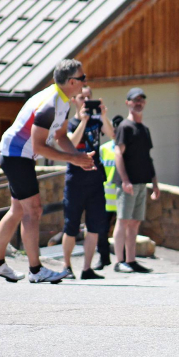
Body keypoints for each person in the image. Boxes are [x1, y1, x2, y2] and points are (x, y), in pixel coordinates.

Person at [0, 60, 96, 284]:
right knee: (33, 210)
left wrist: (79, 158)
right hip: (17, 155)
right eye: (83, 78)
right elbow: (39, 147)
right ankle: (36, 270)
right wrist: (74, 159)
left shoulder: (64, 101)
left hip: (21, 155)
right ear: (72, 82)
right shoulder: (50, 104)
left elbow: (61, 137)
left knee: (18, 210)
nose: (86, 82)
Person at [61, 86, 113, 280]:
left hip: (95, 180)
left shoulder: (96, 122)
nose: (85, 101)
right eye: (82, 98)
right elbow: (71, 145)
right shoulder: (69, 123)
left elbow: (112, 134)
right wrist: (83, 121)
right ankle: (66, 267)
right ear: (74, 100)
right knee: (71, 226)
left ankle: (87, 268)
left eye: (89, 98)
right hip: (75, 181)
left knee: (94, 227)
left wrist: (103, 115)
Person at [113, 88, 161, 273]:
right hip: (128, 184)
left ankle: (131, 260)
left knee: (134, 222)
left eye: (141, 100)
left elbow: (148, 158)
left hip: (142, 182)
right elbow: (119, 154)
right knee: (123, 220)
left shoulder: (144, 129)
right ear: (128, 103)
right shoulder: (124, 127)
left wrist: (155, 183)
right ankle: (119, 262)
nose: (138, 103)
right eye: (135, 100)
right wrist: (125, 180)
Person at [95, 116, 124, 270]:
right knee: (102, 228)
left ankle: (123, 258)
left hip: (122, 192)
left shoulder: (127, 148)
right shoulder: (104, 148)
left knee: (123, 226)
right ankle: (103, 257)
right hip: (107, 193)